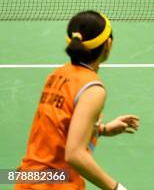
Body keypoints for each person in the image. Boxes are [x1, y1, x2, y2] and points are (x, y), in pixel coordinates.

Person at [14, 11, 139, 190]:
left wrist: (101, 130)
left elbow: (58, 124)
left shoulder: (58, 74)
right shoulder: (93, 89)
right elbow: (74, 154)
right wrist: (116, 188)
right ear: (108, 45)